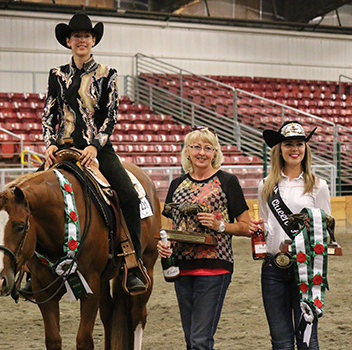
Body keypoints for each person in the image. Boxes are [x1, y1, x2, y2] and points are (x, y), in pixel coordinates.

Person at [40, 13, 145, 292]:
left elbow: (110, 116)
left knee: (129, 197)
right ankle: (35, 268)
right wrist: (49, 143)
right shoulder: (57, 75)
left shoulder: (107, 74)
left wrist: (94, 146)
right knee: (29, 199)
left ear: (93, 40)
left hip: (96, 149)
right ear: (68, 41)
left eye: (86, 36)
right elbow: (49, 114)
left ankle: (132, 264)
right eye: (76, 36)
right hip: (61, 148)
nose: (81, 40)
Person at [157, 127, 250, 350]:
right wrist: (164, 245)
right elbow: (169, 228)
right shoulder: (176, 185)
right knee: (192, 341)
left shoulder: (227, 181)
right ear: (187, 151)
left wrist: (219, 225)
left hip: (215, 266)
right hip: (182, 268)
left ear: (215, 153)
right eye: (196, 147)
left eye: (208, 148)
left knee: (200, 341)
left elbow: (247, 227)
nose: (202, 153)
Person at [249, 121, 331, 349]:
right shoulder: (265, 185)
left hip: (306, 271)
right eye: (288, 144)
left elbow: (323, 227)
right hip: (273, 269)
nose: (294, 149)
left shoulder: (318, 185)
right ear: (280, 149)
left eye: (299, 144)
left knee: (307, 339)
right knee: (280, 340)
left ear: (305, 149)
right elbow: (266, 224)